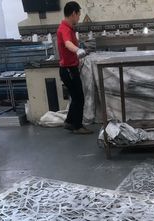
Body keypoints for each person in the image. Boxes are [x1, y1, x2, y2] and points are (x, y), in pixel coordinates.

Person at [57, 1, 92, 134]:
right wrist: (78, 50)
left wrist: (79, 52)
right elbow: (67, 44)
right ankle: (77, 127)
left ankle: (69, 122)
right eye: (78, 15)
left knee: (76, 97)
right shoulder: (65, 29)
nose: (79, 17)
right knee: (79, 98)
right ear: (73, 13)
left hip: (68, 69)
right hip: (68, 70)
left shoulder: (68, 28)